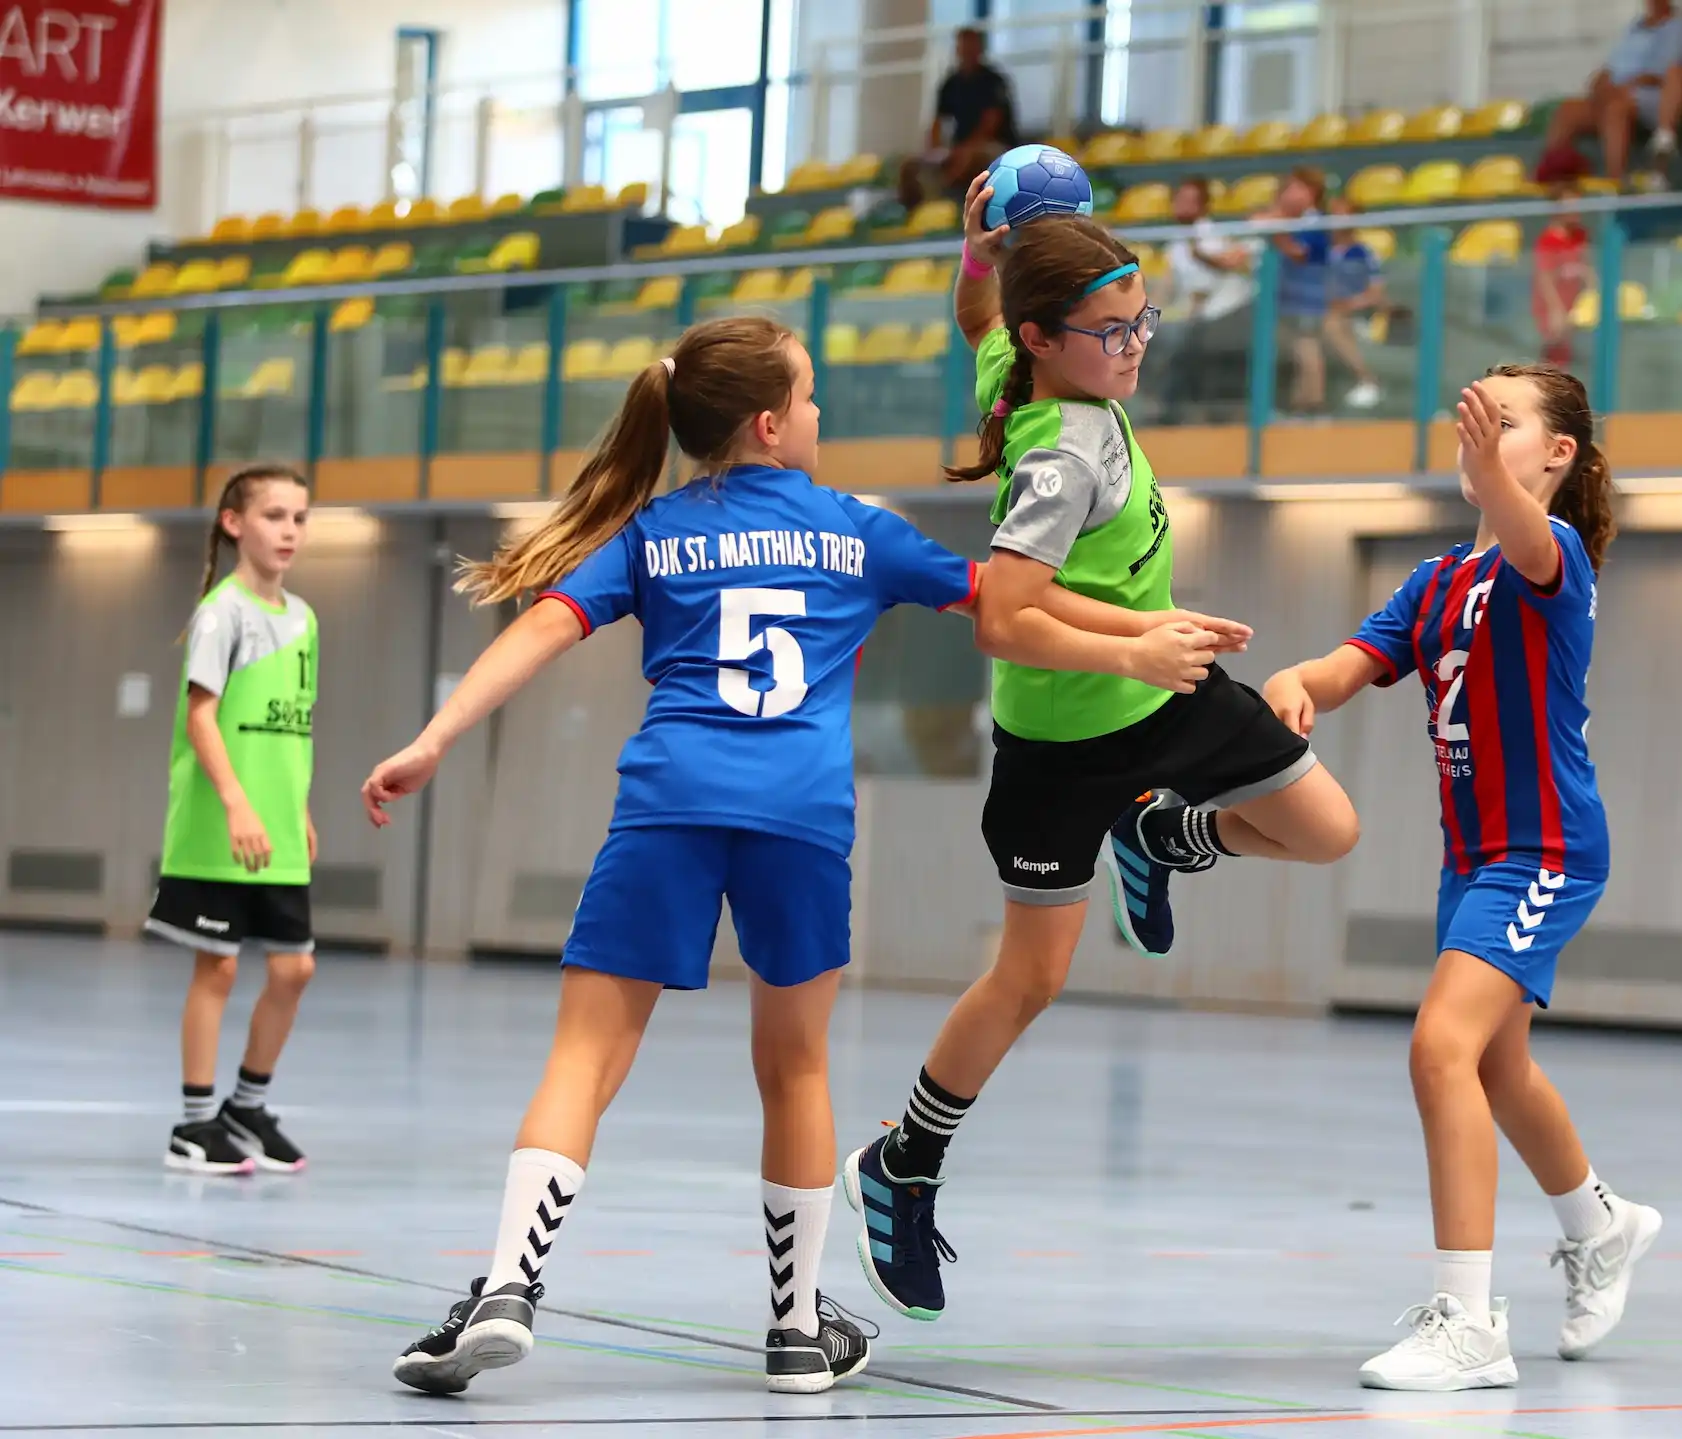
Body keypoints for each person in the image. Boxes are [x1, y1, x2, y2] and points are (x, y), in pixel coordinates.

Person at [368, 316, 1157, 1396]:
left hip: (670, 802)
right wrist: (1138, 636)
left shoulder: (655, 532)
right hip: (801, 817)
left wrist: (434, 738)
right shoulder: (856, 530)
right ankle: (794, 1328)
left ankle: (509, 1284)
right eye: (814, 395)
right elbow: (1008, 602)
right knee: (794, 1064)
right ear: (772, 422)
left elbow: (540, 629)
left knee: (585, 1057)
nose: (825, 414)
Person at [844, 180, 1363, 1329]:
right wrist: (1135, 648)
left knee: (1327, 828)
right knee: (1028, 979)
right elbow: (1003, 618)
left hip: (1161, 686)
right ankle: (904, 1164)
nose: (1133, 348)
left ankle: (1161, 830)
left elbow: (976, 323)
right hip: (1067, 731)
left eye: (1143, 322)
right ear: (1050, 341)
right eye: (1111, 331)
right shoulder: (1058, 454)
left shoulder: (1021, 365)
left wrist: (975, 253)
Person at [1258, 365, 1659, 1391]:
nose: (1478, 427)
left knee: (1440, 1045)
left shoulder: (1552, 552)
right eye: (1473, 414)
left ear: (1556, 454)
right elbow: (1344, 669)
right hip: (1471, 856)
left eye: (1506, 419)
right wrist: (1293, 682)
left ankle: (1471, 1321)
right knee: (1495, 1064)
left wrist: (1492, 473)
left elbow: (1528, 536)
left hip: (1548, 848)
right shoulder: (1435, 581)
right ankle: (1600, 1222)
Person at [150, 465, 320, 1177]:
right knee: (217, 967)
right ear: (234, 523)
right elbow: (201, 715)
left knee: (295, 968)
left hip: (278, 830)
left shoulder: (306, 618)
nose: (288, 530)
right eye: (274, 515)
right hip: (220, 827)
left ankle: (245, 1105)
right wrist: (238, 802)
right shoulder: (222, 612)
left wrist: (298, 808)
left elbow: (290, 726)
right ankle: (193, 1124)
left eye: (299, 518)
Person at [1539, 0, 1682, 186]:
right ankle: (1550, 176)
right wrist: (1599, 83)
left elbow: (1665, 75)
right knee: (1568, 110)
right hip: (1616, 91)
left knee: (1615, 108)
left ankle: (1615, 181)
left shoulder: (1678, 28)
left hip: (1649, 97)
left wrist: (1626, 86)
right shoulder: (1634, 28)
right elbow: (1611, 66)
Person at [1161, 175, 1258, 421]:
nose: (1181, 206)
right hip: (1198, 319)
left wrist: (1201, 256)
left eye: (1188, 201)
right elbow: (1169, 287)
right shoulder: (1175, 243)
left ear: (1203, 206)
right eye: (1178, 200)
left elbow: (1223, 269)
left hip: (1229, 314)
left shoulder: (1213, 235)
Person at [899, 27, 1020, 210]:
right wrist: (934, 149)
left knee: (971, 157)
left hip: (995, 146)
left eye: (971, 47)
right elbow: (938, 122)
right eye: (962, 47)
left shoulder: (994, 81)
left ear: (980, 50)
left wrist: (963, 150)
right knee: (910, 165)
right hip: (958, 146)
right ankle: (913, 214)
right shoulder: (951, 83)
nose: (966, 52)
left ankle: (946, 201)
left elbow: (990, 124)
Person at [1267, 169, 1340, 415]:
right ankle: (1300, 403)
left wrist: (1275, 229)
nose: (1289, 194)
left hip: (1309, 298)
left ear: (1312, 193)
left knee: (1307, 348)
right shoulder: (1294, 221)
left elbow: (1300, 254)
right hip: (1288, 299)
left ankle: (1314, 403)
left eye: (1295, 188)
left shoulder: (1315, 221)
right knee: (1296, 352)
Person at [1531, 153, 1594, 367]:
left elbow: (1585, 267)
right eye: (1570, 206)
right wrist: (1555, 310)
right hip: (1553, 310)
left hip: (1575, 307)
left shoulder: (1580, 235)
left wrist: (1596, 291)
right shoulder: (1548, 241)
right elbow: (1545, 279)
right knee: (1553, 365)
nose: (1576, 212)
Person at [1324, 197, 1387, 412]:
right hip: (1313, 310)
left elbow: (1375, 294)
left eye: (1342, 215)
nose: (1336, 221)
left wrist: (1348, 304)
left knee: (1332, 324)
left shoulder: (1363, 254)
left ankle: (1367, 380)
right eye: (1333, 215)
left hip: (1354, 315)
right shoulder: (1319, 251)